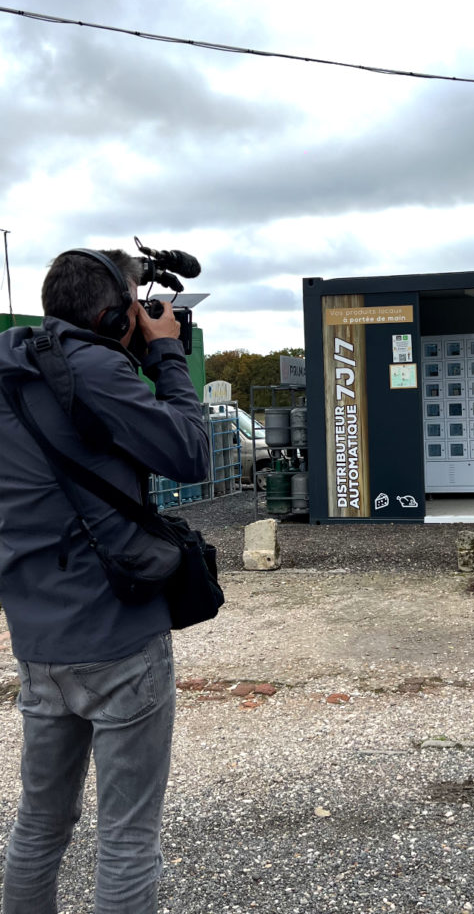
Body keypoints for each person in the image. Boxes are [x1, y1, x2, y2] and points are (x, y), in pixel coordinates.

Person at [0, 248, 210, 914]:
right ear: (114, 313)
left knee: (40, 822)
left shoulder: (11, 370)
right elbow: (190, 452)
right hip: (119, 635)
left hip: (38, 637)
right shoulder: (94, 367)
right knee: (126, 839)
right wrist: (169, 355)